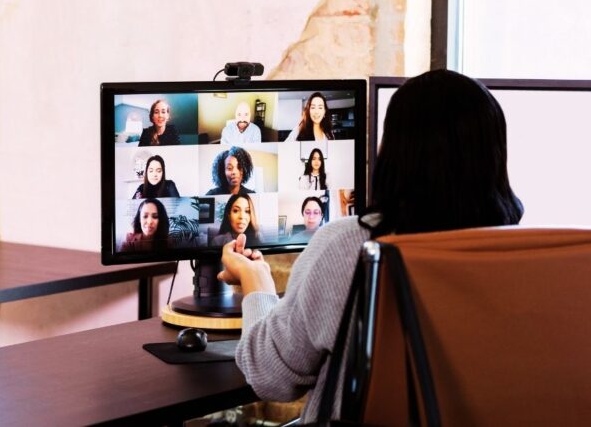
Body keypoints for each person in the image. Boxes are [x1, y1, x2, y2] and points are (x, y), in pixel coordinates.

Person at [216, 69, 524, 423]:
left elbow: (272, 378)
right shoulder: (517, 258)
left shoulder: (350, 247)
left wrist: (256, 283)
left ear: (395, 153)